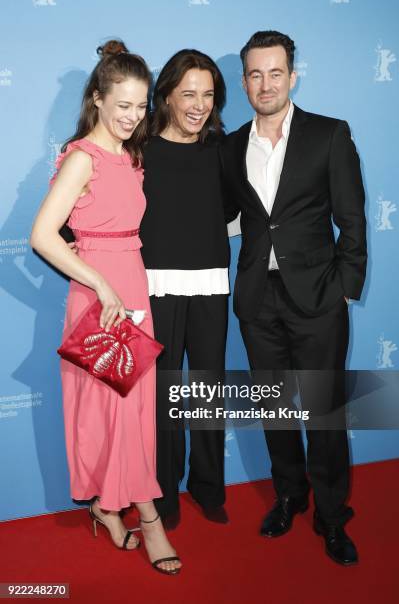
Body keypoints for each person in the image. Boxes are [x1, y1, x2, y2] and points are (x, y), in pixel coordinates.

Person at [30, 40, 181, 575]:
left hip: (132, 290)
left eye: (141, 107)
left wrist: (122, 285)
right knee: (116, 412)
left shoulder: (130, 155)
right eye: (123, 105)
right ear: (97, 99)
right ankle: (149, 516)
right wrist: (100, 282)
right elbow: (42, 237)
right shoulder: (81, 157)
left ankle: (106, 507)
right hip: (100, 300)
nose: (133, 116)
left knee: (134, 412)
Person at [220, 30, 367, 565]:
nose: (265, 83)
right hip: (258, 299)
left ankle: (332, 516)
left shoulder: (329, 135)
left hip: (319, 297)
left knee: (325, 414)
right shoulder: (231, 145)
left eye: (275, 72)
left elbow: (351, 219)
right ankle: (289, 496)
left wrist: (346, 288)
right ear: (243, 81)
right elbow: (224, 214)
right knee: (276, 408)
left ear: (292, 76)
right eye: (255, 74)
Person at [139, 50, 230, 527]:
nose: (199, 105)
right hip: (155, 290)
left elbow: (237, 212)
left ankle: (209, 487)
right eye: (189, 94)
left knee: (209, 389)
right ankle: (165, 494)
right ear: (167, 95)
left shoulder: (221, 150)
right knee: (165, 398)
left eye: (208, 95)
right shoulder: (140, 150)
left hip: (212, 286)